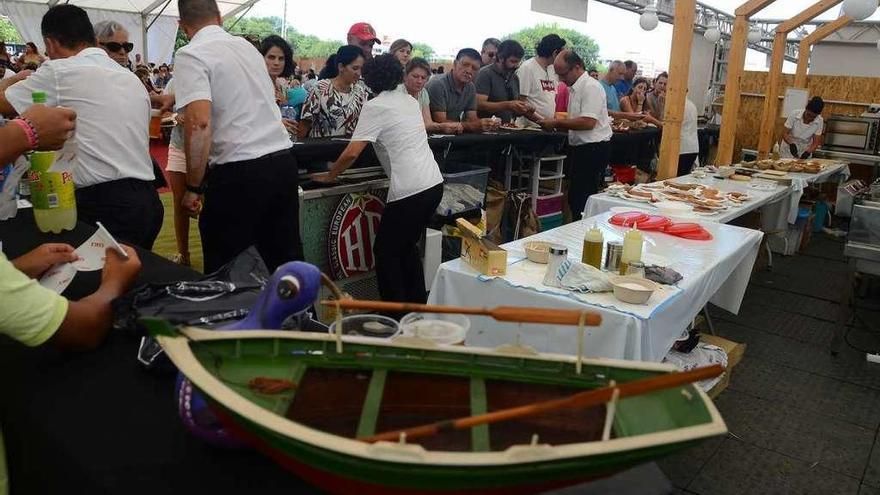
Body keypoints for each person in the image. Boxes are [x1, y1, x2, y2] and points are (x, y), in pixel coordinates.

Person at [0, 5, 163, 250]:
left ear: (50, 44)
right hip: (148, 199)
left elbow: (4, 104)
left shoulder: (58, 71)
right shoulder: (129, 77)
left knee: (97, 283)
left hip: (103, 204)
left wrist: (14, 78)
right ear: (94, 40)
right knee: (135, 280)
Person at [175, 0, 301, 274]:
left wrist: (193, 187)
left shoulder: (191, 54)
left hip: (240, 174)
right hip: (282, 164)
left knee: (229, 274)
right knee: (284, 265)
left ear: (182, 26)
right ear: (219, 17)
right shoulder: (246, 48)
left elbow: (199, 123)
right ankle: (297, 317)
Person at [313, 54, 443, 305]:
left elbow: (352, 151)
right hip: (432, 183)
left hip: (410, 191)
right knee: (407, 249)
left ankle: (394, 315)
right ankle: (415, 309)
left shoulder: (376, 106)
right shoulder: (408, 100)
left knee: (386, 253)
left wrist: (330, 176)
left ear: (370, 78)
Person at [539, 49, 612, 218]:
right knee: (575, 197)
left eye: (563, 74)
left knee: (582, 198)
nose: (561, 80)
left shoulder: (591, 87)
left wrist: (557, 122)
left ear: (577, 67)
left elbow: (588, 122)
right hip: (582, 147)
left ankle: (583, 234)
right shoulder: (575, 88)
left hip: (593, 148)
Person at [299, 45, 368, 139]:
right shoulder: (320, 88)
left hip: (349, 150)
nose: (359, 73)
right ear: (341, 67)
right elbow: (305, 124)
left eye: (361, 69)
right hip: (321, 149)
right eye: (355, 68)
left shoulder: (361, 91)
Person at [426, 48, 498, 133]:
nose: (469, 71)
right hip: (432, 137)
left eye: (474, 68)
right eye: (465, 65)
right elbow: (441, 121)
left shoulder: (471, 87)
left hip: (453, 134)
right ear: (455, 64)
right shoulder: (438, 84)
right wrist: (473, 125)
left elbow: (472, 118)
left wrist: (487, 123)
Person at [475, 40, 532, 124]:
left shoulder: (514, 78)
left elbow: (515, 110)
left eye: (518, 62)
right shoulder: (485, 74)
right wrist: (507, 105)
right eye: (513, 61)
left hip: (507, 128)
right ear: (501, 58)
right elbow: (479, 105)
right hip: (486, 131)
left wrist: (526, 109)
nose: (516, 66)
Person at [401, 57, 462, 134]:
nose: (419, 81)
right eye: (415, 76)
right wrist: (441, 127)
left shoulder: (423, 93)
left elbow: (428, 123)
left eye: (423, 78)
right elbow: (405, 125)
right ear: (405, 76)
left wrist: (446, 126)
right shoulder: (398, 91)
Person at [516, 33, 565, 126]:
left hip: (547, 127)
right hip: (529, 128)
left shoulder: (552, 69)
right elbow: (521, 103)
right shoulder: (527, 67)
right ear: (555, 53)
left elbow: (552, 99)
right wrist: (541, 121)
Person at [260, 35, 294, 106]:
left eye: (281, 59)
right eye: (271, 57)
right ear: (261, 57)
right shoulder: (255, 86)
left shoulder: (281, 86)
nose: (276, 63)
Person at [678, 97, 700, 176]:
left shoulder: (678, 105)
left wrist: (652, 120)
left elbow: (671, 127)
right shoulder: (691, 104)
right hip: (692, 147)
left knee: (676, 179)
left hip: (682, 148)